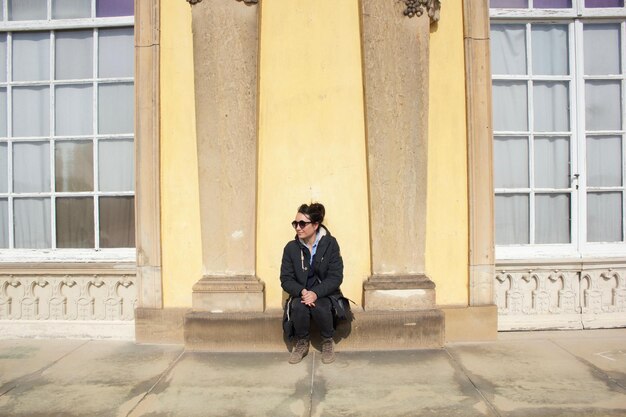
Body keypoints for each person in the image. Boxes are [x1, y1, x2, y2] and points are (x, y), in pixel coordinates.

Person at [280, 202, 344, 364]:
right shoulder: (291, 248)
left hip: (324, 293)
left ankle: (327, 341)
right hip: (302, 293)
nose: (298, 227)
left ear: (315, 225)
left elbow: (336, 276)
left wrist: (316, 293)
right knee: (299, 306)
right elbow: (286, 279)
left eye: (302, 223)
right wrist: (302, 291)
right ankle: (301, 343)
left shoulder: (330, 244)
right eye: (295, 223)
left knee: (321, 306)